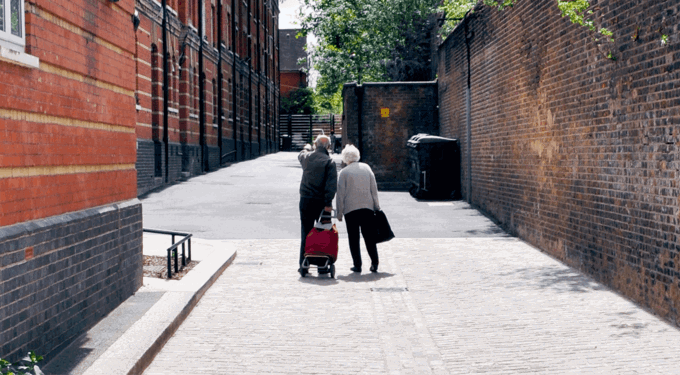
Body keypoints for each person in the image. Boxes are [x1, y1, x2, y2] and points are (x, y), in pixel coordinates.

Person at [336, 145, 380, 273]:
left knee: (353, 237)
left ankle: (357, 264)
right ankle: (374, 262)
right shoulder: (366, 168)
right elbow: (374, 189)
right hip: (367, 208)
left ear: (345, 157)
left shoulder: (344, 172)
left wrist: (339, 212)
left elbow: (340, 195)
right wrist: (377, 206)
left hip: (351, 210)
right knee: (369, 236)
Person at [298, 135, 337, 275]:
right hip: (322, 203)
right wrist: (328, 203)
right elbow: (331, 186)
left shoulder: (307, 157)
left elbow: (301, 154)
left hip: (306, 200)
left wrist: (307, 148)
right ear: (328, 146)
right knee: (323, 233)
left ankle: (303, 265)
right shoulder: (329, 162)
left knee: (305, 232)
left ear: (316, 145)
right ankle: (322, 265)